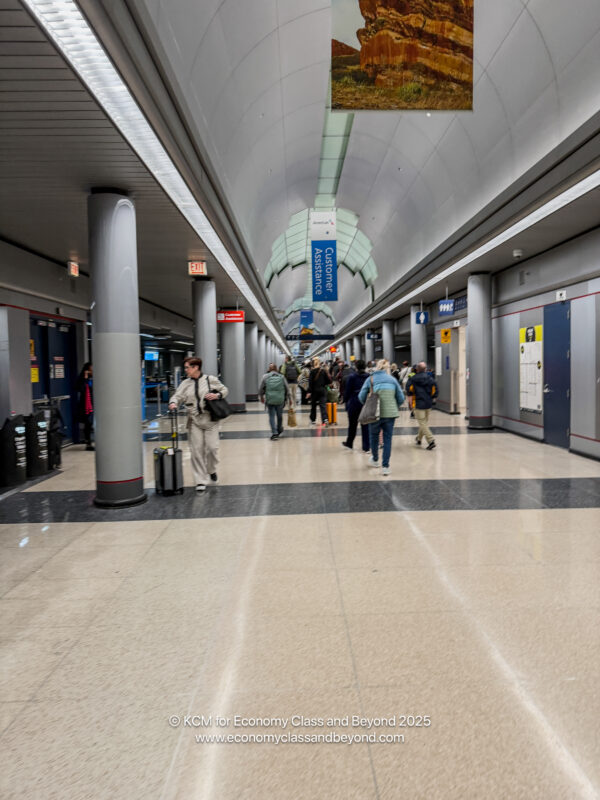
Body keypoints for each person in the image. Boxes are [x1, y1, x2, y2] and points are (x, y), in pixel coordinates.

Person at [168, 357, 228, 491]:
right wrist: (173, 403)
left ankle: (211, 470)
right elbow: (177, 396)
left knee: (212, 448)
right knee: (196, 451)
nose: (186, 370)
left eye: (187, 367)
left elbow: (224, 390)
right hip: (194, 420)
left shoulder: (210, 380)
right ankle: (200, 480)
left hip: (210, 420)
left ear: (196, 367)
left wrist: (217, 395)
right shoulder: (185, 383)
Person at [358, 358, 404, 476]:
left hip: (374, 414)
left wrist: (368, 405)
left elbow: (361, 396)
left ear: (377, 367)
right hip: (390, 414)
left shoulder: (370, 379)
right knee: (387, 439)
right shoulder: (392, 380)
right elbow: (401, 398)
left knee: (373, 437)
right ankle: (385, 467)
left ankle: (375, 459)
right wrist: (394, 406)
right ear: (387, 368)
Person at [406, 361, 438, 450]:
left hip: (418, 404)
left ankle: (431, 440)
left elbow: (410, 392)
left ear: (417, 369)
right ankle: (419, 438)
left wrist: (410, 403)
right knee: (423, 423)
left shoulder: (413, 379)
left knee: (422, 423)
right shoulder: (431, 379)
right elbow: (435, 391)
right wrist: (433, 399)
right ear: (425, 369)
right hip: (428, 404)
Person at [342, 359, 370, 452]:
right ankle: (366, 446)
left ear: (356, 367)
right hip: (365, 403)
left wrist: (345, 400)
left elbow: (348, 391)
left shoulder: (352, 377)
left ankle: (349, 443)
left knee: (352, 425)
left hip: (354, 402)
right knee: (365, 425)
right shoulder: (369, 377)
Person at [260, 363, 292, 440]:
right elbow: (287, 388)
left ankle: (274, 433)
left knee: (271, 416)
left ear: (269, 369)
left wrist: (261, 396)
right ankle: (279, 429)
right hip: (280, 399)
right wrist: (290, 399)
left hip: (270, 399)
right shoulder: (282, 377)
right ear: (276, 369)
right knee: (279, 415)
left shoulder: (265, 377)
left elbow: (261, 388)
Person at [75, 362, 94, 450]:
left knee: (91, 423)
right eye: (91, 368)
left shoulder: (94, 378)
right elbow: (80, 389)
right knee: (88, 423)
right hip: (86, 405)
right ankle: (88, 442)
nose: (92, 370)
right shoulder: (83, 379)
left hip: (94, 404)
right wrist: (85, 378)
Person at [307, 357, 331, 425]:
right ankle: (325, 419)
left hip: (314, 391)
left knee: (313, 406)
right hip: (322, 390)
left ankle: (313, 420)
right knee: (323, 406)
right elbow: (329, 381)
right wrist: (323, 384)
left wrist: (309, 392)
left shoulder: (312, 371)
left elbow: (310, 383)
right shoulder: (323, 371)